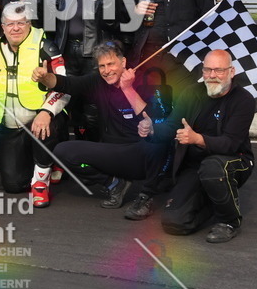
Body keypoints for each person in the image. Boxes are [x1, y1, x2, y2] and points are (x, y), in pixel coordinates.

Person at [36, 42, 172, 216]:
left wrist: (128, 89)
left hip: (142, 155)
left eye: (111, 64)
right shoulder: (97, 80)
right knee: (63, 151)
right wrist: (45, 78)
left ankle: (147, 196)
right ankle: (115, 184)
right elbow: (68, 84)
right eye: (102, 66)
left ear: (123, 62)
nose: (106, 70)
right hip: (113, 154)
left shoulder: (145, 80)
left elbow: (156, 122)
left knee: (158, 140)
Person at [149, 50, 254, 242]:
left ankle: (229, 221)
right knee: (174, 222)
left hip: (235, 160)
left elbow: (230, 143)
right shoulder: (192, 92)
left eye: (218, 70)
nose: (212, 75)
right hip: (195, 164)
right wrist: (152, 130)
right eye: (207, 70)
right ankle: (213, 203)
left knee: (212, 167)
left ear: (231, 72)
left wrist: (197, 139)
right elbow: (172, 126)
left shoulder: (244, 100)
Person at [0, 3, 68, 207]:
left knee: (47, 126)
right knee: (14, 185)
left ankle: (41, 182)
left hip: (40, 118)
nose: (15, 28)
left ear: (29, 24)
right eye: (10, 24)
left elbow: (65, 87)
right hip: (11, 126)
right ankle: (38, 162)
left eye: (20, 23)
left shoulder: (46, 46)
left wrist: (47, 111)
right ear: (2, 26)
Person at [53, 0, 119, 141]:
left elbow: (113, 24)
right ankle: (66, 155)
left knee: (93, 108)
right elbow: (46, 18)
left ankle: (92, 153)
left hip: (92, 55)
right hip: (67, 53)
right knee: (65, 103)